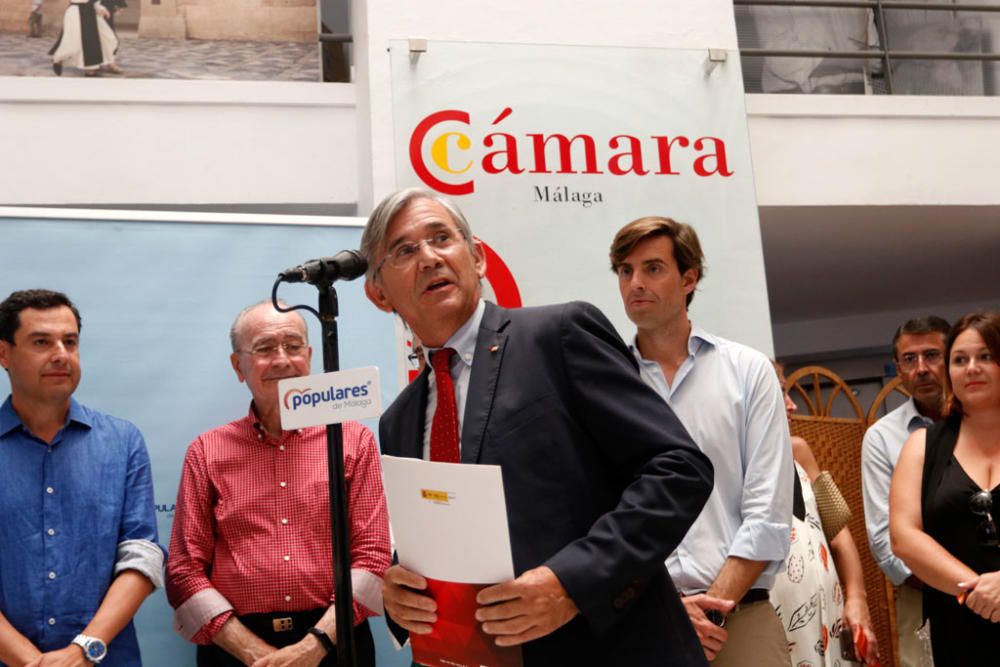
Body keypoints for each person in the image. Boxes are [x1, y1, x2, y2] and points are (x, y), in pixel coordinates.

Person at [361, 188, 714, 666]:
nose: (429, 258)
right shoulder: (398, 421)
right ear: (379, 293)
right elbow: (453, 537)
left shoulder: (558, 336)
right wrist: (402, 591)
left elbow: (678, 469)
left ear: (478, 258)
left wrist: (572, 582)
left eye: (441, 238)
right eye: (404, 250)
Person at [609, 215, 793, 667]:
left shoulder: (748, 372)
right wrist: (667, 613)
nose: (635, 283)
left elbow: (768, 512)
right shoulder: (606, 385)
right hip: (640, 623)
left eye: (653, 268)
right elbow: (600, 515)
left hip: (739, 619)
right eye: (625, 270)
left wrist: (710, 611)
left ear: (689, 278)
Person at [165, 301, 391, 667]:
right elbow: (183, 571)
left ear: (310, 356)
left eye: (293, 345)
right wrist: (257, 655)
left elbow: (373, 556)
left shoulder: (352, 441)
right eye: (265, 348)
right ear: (238, 366)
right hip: (234, 647)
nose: (282, 359)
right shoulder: (207, 451)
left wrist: (312, 648)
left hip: (336, 640)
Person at [0, 289, 163, 666]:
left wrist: (82, 651)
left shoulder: (123, 442)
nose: (60, 354)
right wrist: (31, 661)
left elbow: (142, 556)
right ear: (4, 353)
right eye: (41, 341)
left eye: (70, 342)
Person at [890, 311, 1000, 666]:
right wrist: (979, 592)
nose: (971, 368)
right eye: (960, 359)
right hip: (959, 620)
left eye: (985, 356)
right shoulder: (922, 445)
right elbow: (904, 536)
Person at [771, 362, 879, 666]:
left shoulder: (801, 451)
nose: (792, 405)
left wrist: (857, 598)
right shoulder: (727, 468)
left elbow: (838, 528)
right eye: (781, 393)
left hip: (829, 616)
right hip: (775, 624)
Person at [862, 315, 949, 666]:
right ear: (898, 369)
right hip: (922, 597)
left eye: (932, 355)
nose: (921, 368)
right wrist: (959, 589)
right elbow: (884, 539)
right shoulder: (882, 438)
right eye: (910, 360)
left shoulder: (988, 422)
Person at [50, 0, 123, 77]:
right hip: (77, 13)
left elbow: (93, 2)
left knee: (106, 37)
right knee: (74, 42)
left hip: (90, 12)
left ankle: (97, 67)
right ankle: (59, 60)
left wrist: (100, 8)